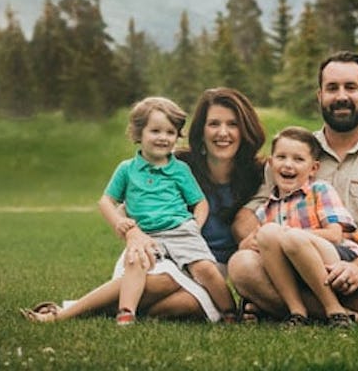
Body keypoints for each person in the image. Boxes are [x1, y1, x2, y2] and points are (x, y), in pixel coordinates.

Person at [21, 88, 266, 323]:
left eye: (232, 124)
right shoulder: (177, 162)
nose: (223, 132)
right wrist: (133, 233)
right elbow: (126, 205)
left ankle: (96, 309)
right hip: (158, 250)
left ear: (244, 129)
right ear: (201, 130)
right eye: (214, 124)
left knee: (185, 305)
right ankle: (70, 313)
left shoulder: (259, 173)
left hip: (207, 263)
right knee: (164, 281)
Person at [229, 51, 358, 324]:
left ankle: (282, 308)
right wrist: (253, 238)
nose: (341, 96)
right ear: (320, 96)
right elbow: (247, 214)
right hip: (293, 274)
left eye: (351, 87)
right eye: (332, 88)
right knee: (241, 266)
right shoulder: (291, 154)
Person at [255, 126, 358, 327]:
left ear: (313, 168)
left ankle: (335, 311)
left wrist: (291, 234)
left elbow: (334, 235)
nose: (288, 165)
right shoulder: (265, 210)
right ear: (270, 164)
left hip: (338, 259)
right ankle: (297, 312)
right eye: (281, 157)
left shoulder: (319, 190)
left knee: (291, 238)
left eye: (298, 159)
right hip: (297, 269)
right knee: (268, 233)